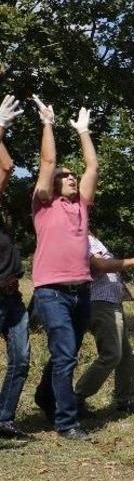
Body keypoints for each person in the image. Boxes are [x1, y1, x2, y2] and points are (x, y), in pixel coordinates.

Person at [29, 98, 98, 440]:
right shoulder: (43, 203)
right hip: (51, 291)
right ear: (53, 184)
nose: (70, 177)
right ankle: (66, 422)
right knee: (66, 355)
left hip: (81, 290)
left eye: (72, 175)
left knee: (64, 354)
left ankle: (46, 396)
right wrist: (48, 124)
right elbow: (48, 161)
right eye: (64, 176)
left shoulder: (81, 205)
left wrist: (84, 132)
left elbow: (92, 168)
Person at [74, 234, 134, 416]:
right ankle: (77, 397)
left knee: (125, 354)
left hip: (112, 302)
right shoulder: (80, 238)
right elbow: (100, 265)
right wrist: (133, 261)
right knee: (112, 354)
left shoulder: (92, 238)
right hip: (100, 303)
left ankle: (125, 399)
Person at [0, 95, 30, 439]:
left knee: (20, 359)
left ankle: (5, 418)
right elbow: (6, 168)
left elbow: (6, 166)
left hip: (12, 295)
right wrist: (2, 125)